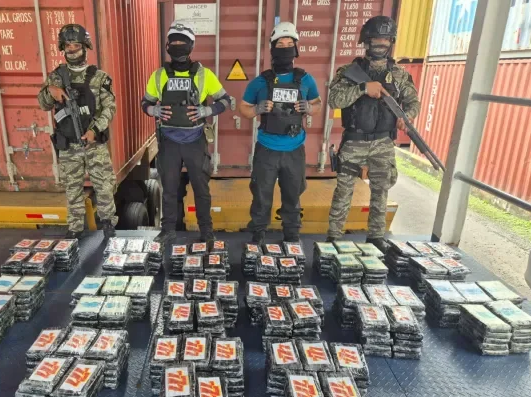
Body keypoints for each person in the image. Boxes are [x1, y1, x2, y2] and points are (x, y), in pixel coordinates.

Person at [326, 15, 421, 251]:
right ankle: (333, 237)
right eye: (376, 39)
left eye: (385, 39)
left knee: (381, 191)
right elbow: (335, 100)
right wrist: (362, 88)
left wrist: (407, 117)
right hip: (354, 140)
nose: (380, 44)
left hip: (383, 142)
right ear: (366, 41)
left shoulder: (399, 75)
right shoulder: (349, 71)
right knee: (343, 191)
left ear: (391, 42)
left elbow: (413, 103)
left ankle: (376, 238)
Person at [141, 21, 232, 244]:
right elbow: (145, 102)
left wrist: (206, 110)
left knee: (201, 189)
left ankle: (206, 231)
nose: (178, 46)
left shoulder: (204, 74)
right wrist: (154, 110)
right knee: (169, 189)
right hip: (169, 141)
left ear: (191, 45)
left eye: (182, 42)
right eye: (174, 42)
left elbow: (225, 100)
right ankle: (168, 230)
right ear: (167, 46)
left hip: (195, 140)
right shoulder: (159, 75)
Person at [239, 22, 322, 245]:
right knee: (261, 195)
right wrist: (257, 109)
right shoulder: (260, 81)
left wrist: (309, 107)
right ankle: (258, 234)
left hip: (294, 149)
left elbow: (318, 103)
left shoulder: (305, 79)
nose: (285, 48)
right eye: (280, 44)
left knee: (293, 196)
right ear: (272, 49)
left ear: (296, 48)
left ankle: (292, 236)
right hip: (266, 150)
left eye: (289, 44)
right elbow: (243, 108)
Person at [37, 24, 117, 240]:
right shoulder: (56, 77)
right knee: (72, 189)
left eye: (76, 45)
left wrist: (94, 130)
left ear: (85, 47)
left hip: (94, 143)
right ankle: (75, 228)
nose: (72, 49)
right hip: (69, 144)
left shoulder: (99, 77)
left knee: (104, 186)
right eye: (68, 45)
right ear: (63, 48)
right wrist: (50, 91)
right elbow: (43, 104)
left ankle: (108, 223)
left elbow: (109, 108)